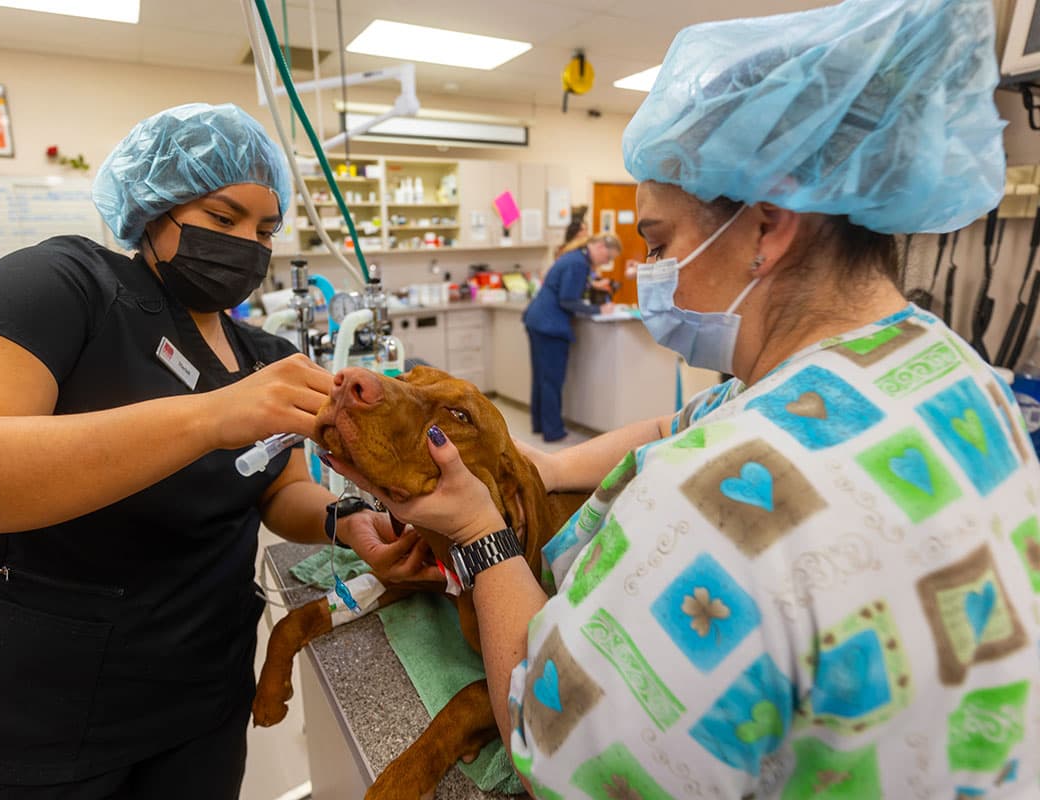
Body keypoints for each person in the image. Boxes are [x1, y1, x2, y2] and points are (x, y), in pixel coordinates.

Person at [329, 0, 1040, 796]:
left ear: (767, 229)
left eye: (661, 243)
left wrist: (479, 532)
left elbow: (548, 745)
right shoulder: (953, 373)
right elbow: (679, 420)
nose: (650, 274)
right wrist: (543, 461)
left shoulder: (722, 506)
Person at [0, 102, 439, 799]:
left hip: (195, 700)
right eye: (222, 218)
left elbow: (273, 488)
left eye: (265, 229)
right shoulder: (61, 286)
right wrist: (210, 416)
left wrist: (345, 519)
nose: (249, 243)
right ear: (154, 207)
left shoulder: (261, 354)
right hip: (21, 711)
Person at [523, 232, 619, 442]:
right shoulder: (578, 263)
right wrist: (598, 310)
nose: (606, 263)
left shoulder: (573, 257)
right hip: (550, 325)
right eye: (608, 258)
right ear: (601, 247)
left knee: (542, 378)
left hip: (538, 320)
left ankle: (540, 424)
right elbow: (567, 299)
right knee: (551, 380)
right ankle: (553, 431)